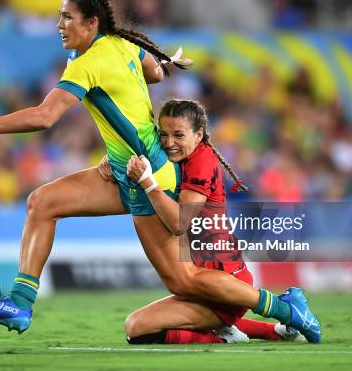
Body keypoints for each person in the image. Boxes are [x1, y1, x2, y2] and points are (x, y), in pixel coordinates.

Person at [0, 0, 321, 343]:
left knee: (183, 280)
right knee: (42, 202)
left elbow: (44, 117)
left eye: (68, 17)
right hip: (124, 168)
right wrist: (157, 74)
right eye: (59, 16)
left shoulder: (86, 64)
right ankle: (19, 302)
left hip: (147, 173)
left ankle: (285, 308)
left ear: (92, 23)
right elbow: (153, 71)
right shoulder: (120, 45)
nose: (59, 24)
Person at [98, 99, 306, 344]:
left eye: (178, 135)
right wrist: (117, 161)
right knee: (135, 327)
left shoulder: (202, 161)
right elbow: (144, 147)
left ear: (198, 135)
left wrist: (147, 183)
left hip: (222, 281)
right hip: (197, 282)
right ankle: (273, 331)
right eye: (163, 134)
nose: (169, 142)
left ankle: (233, 333)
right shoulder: (173, 158)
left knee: (140, 330)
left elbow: (179, 223)